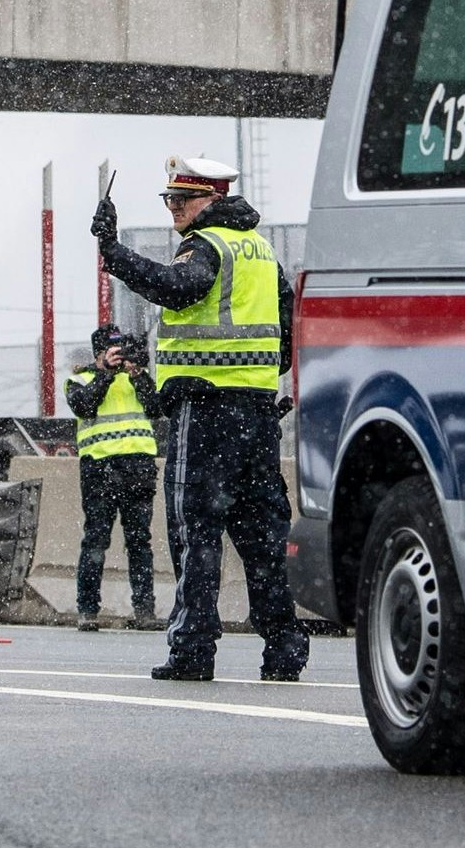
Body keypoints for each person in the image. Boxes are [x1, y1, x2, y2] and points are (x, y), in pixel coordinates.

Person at [92, 155, 309, 683]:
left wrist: (114, 253)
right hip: (257, 417)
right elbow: (286, 329)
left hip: (207, 413)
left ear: (211, 200)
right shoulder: (261, 250)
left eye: (182, 200)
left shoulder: (207, 246)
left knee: (197, 532)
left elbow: (177, 287)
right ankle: (284, 649)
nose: (174, 210)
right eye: (169, 200)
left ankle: (192, 650)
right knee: (262, 537)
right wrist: (253, 376)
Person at [61, 324, 160, 631]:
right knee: (95, 541)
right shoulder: (80, 379)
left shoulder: (137, 379)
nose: (119, 356)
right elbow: (84, 404)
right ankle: (88, 610)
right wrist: (105, 373)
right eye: (112, 351)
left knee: (140, 542)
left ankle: (145, 611)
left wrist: (138, 373)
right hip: (99, 470)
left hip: (138, 469)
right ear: (98, 354)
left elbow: (156, 407)